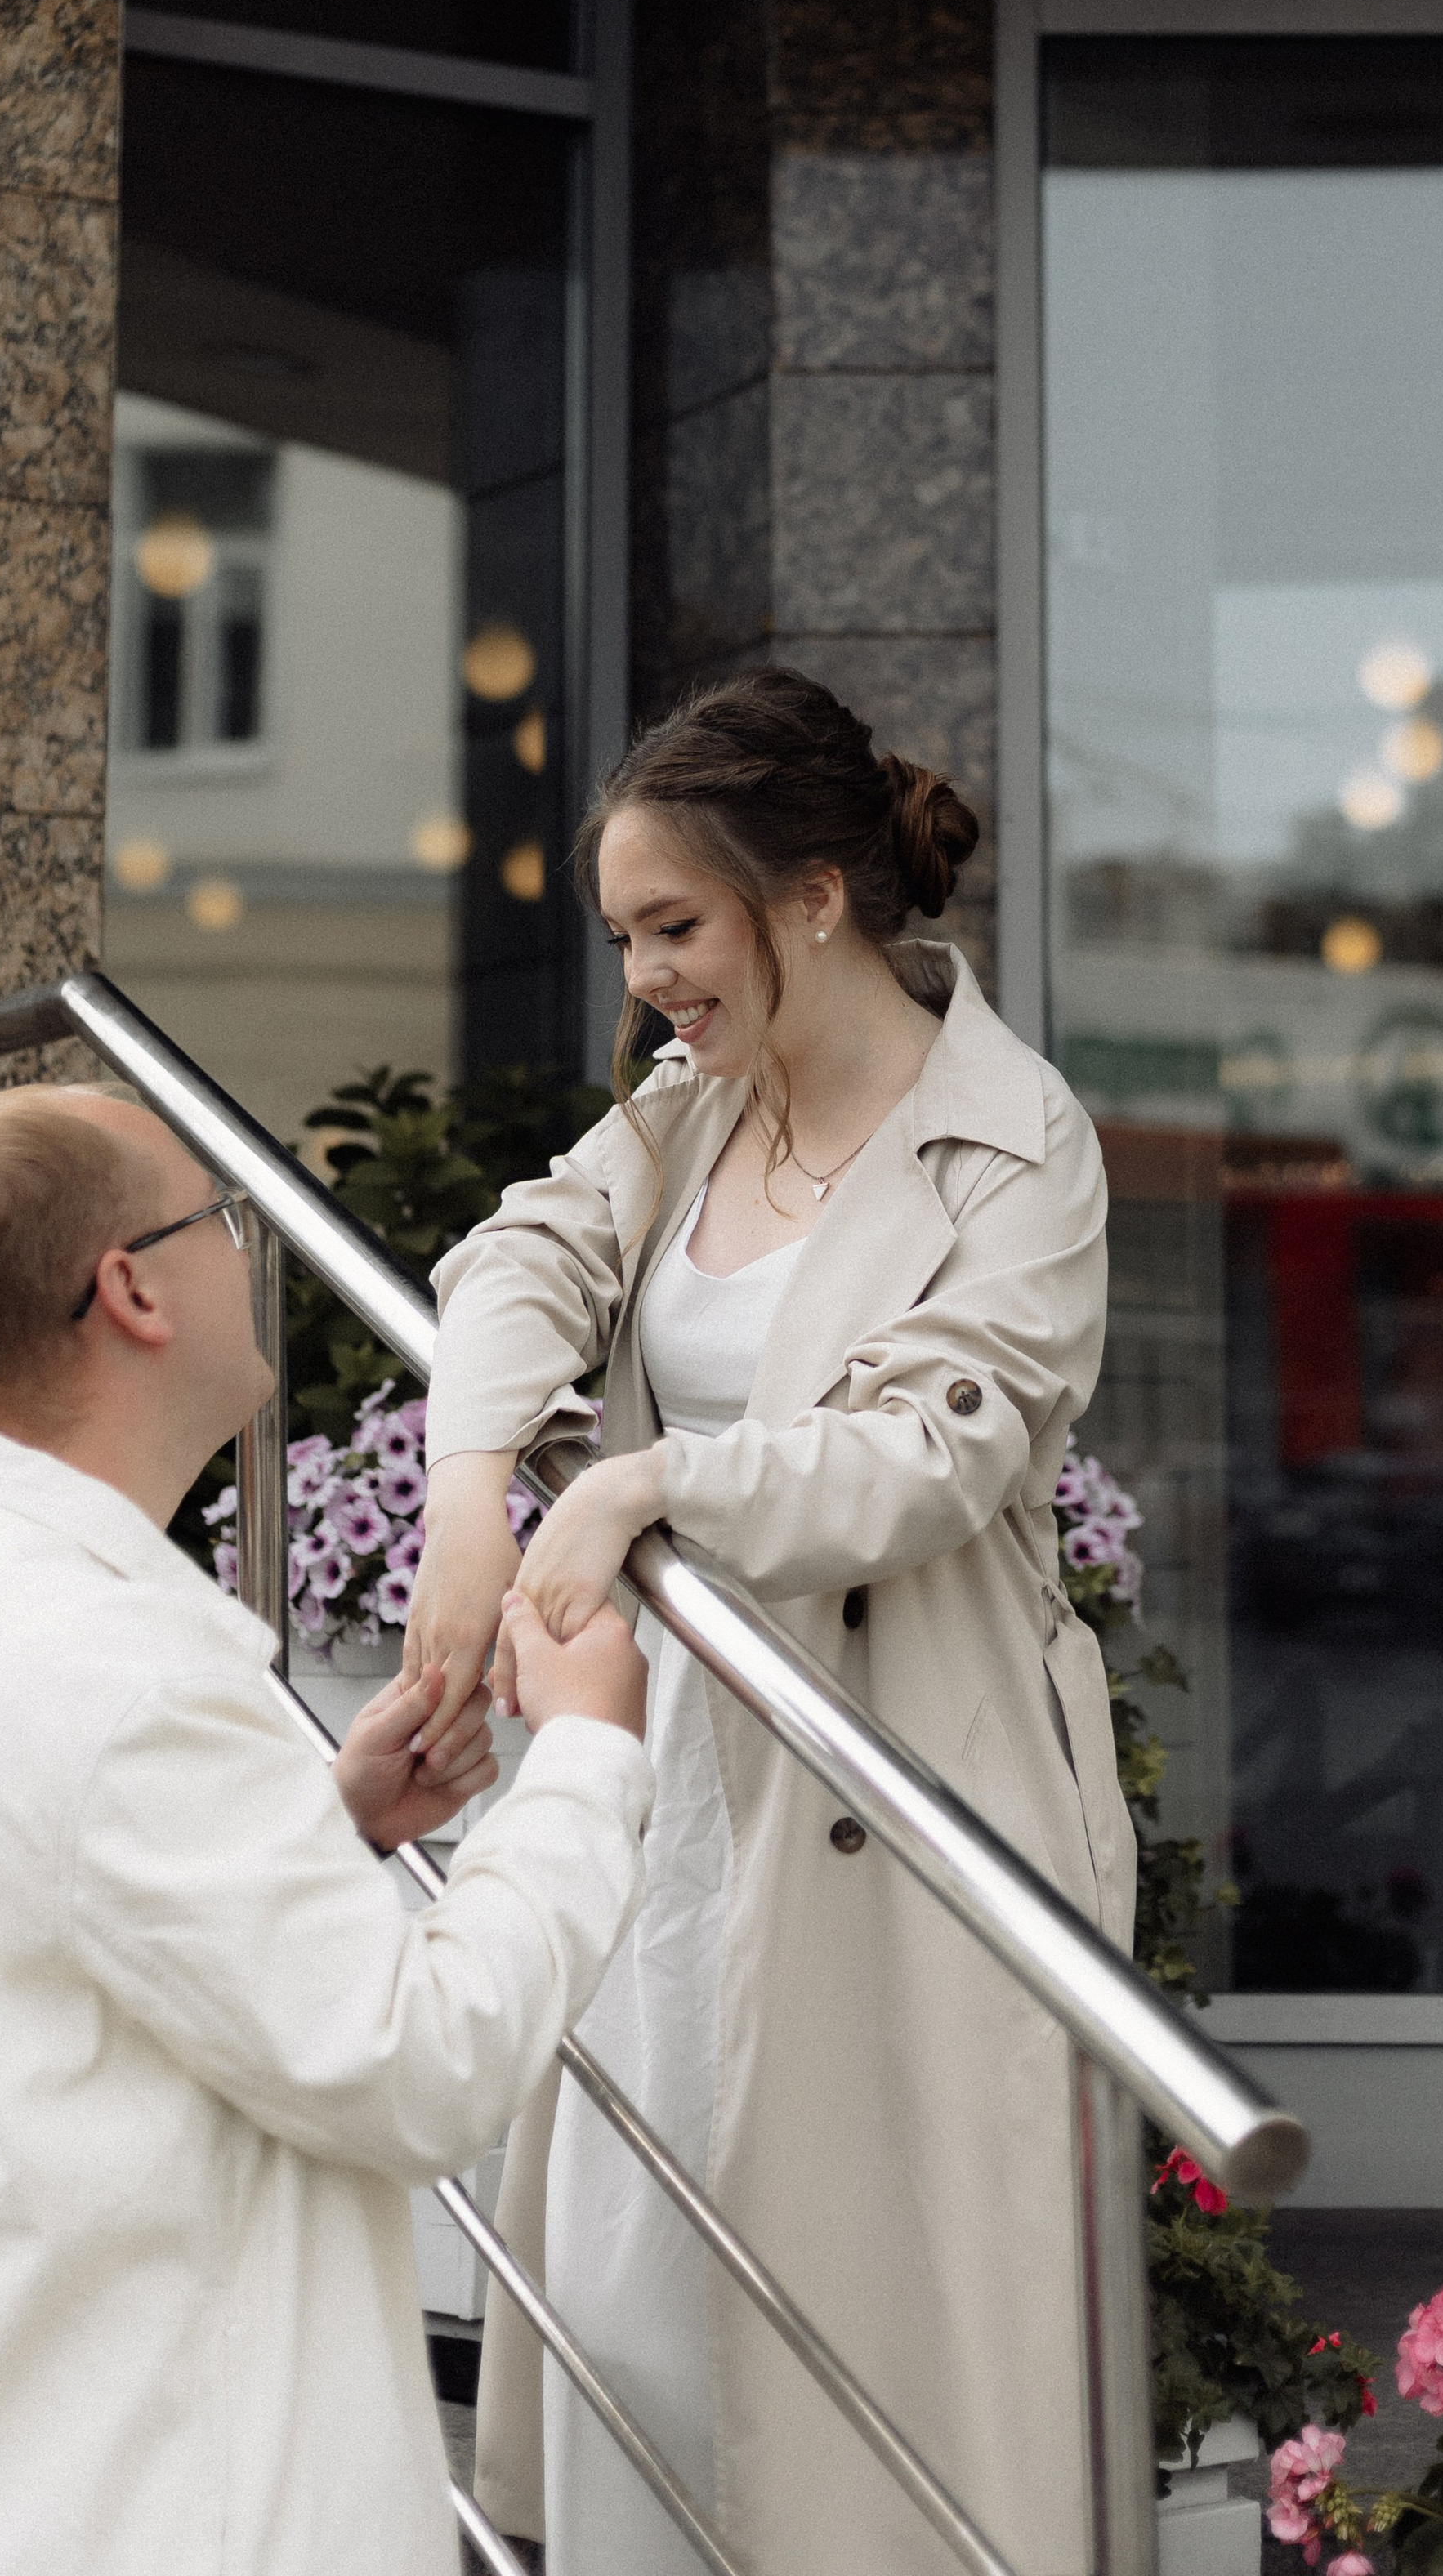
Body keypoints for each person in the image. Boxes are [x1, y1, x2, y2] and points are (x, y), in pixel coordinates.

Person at [407, 667, 1136, 2576]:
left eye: (673, 927)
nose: (645, 976)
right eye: (628, 937)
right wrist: (467, 1493)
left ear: (812, 893)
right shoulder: (683, 1107)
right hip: (681, 1772)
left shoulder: (1014, 1141)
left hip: (898, 1788)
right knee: (650, 2305)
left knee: (874, 2343)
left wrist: (648, 1485)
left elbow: (926, 1457)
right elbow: (521, 1251)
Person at [0, 1083, 652, 2576]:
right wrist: (592, 1758)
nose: (251, 1251)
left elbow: (38, 1936)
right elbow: (419, 2064)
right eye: (224, 1218)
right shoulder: (113, 1672)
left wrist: (321, 1830)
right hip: (111, 2506)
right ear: (133, 1289)